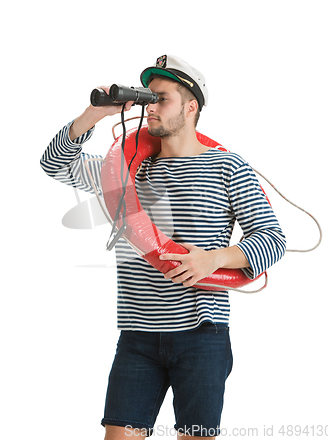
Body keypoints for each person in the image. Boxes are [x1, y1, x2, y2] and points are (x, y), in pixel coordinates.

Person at [40, 54, 286, 440]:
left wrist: (215, 259)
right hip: (137, 334)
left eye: (162, 98)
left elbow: (272, 239)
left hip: (201, 335)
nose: (150, 107)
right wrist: (93, 114)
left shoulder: (227, 167)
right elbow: (55, 164)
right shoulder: (125, 170)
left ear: (191, 107)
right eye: (147, 98)